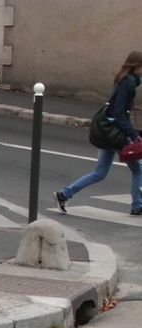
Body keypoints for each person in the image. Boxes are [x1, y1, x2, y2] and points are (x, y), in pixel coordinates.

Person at [54, 51, 142, 217]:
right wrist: (133, 134)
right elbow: (119, 113)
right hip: (117, 134)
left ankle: (64, 194)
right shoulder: (128, 83)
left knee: (100, 173)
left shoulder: (123, 79)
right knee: (138, 170)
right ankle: (137, 206)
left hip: (108, 133)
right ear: (136, 66)